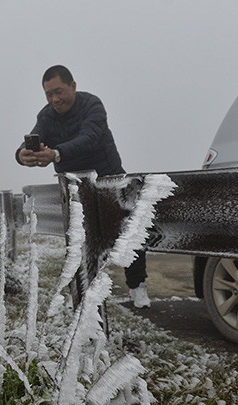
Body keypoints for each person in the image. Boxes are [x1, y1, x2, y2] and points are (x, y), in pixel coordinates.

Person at [15, 64, 150, 308]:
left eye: (59, 91)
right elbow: (34, 140)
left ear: (73, 86)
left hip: (109, 180)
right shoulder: (46, 116)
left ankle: (137, 286)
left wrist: (56, 154)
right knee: (79, 241)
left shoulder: (92, 106)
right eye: (48, 94)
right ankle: (84, 292)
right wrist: (22, 155)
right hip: (75, 188)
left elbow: (89, 138)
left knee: (129, 234)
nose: (54, 99)